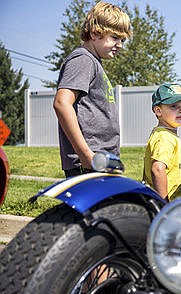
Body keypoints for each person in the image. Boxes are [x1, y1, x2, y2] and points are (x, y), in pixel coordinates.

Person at [53, 2, 132, 178]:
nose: (119, 45)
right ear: (95, 33)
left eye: (122, 40)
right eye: (115, 38)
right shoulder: (83, 60)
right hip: (89, 163)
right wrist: (86, 156)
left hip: (101, 160)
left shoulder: (94, 62)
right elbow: (61, 103)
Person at [143, 83, 181, 201]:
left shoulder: (168, 135)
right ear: (158, 111)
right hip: (169, 205)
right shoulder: (164, 137)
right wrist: (164, 204)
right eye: (174, 106)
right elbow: (157, 169)